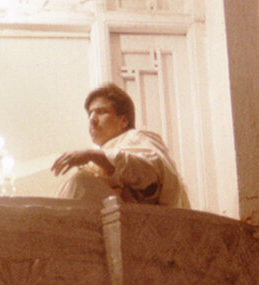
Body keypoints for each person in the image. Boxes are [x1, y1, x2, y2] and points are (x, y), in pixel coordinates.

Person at [51, 83, 190, 208]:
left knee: (80, 183)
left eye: (100, 112)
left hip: (147, 224)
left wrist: (92, 155)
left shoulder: (137, 137)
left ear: (123, 121)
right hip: (120, 221)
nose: (92, 119)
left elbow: (150, 173)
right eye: (90, 114)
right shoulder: (105, 151)